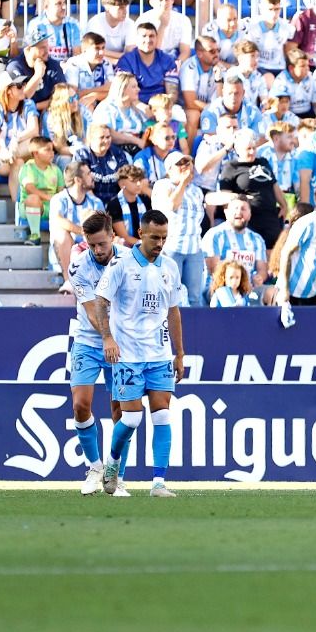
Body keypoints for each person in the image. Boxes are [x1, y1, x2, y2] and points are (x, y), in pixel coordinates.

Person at [93, 209, 185, 500]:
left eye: (164, 238)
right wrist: (107, 337)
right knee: (131, 419)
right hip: (128, 355)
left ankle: (158, 482)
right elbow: (100, 300)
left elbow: (173, 311)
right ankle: (113, 462)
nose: (160, 243)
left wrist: (179, 353)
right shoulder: (120, 265)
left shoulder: (170, 266)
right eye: (155, 237)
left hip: (159, 354)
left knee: (162, 415)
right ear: (141, 233)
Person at [68, 211, 119, 496]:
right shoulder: (78, 267)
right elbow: (90, 313)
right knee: (80, 405)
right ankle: (95, 466)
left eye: (102, 243)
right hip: (89, 342)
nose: (98, 250)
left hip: (122, 344)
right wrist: (107, 337)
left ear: (113, 236)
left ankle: (115, 473)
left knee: (119, 411)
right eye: (92, 245)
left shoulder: (129, 261)